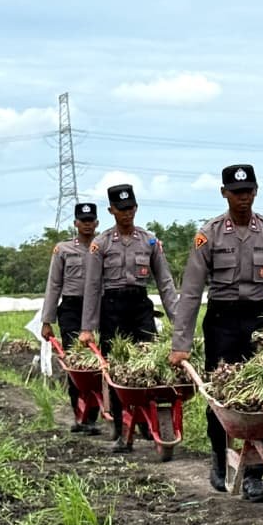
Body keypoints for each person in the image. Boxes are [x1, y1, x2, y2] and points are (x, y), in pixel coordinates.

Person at [169, 164, 263, 500]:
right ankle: (218, 456)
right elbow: (190, 292)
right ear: (224, 193)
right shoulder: (209, 234)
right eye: (236, 192)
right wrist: (180, 344)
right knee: (220, 395)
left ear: (256, 191)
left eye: (248, 191)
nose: (243, 198)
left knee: (260, 397)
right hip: (221, 321)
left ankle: (255, 473)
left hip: (259, 322)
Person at [79, 184, 180, 451]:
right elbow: (91, 287)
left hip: (140, 306)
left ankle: (148, 421)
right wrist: (87, 328)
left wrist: (178, 322)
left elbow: (166, 283)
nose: (127, 214)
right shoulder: (100, 244)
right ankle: (122, 426)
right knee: (115, 367)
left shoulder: (149, 241)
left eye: (131, 208)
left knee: (149, 361)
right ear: (112, 210)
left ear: (136, 208)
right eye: (121, 209)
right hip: (111, 308)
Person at [40, 202, 102, 434]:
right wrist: (47, 321)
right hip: (72, 309)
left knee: (99, 362)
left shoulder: (103, 246)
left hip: (99, 307)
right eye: (82, 221)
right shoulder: (63, 250)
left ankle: (96, 413)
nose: (87, 225)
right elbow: (53, 285)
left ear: (96, 223)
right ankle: (80, 415)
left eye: (91, 221)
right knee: (76, 364)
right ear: (76, 223)